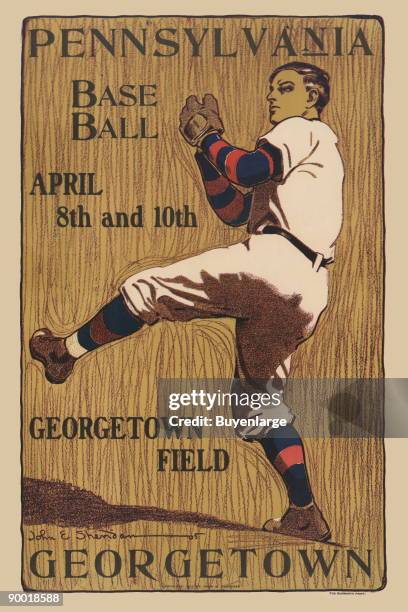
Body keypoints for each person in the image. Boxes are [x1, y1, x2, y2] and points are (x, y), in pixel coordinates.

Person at [30, 61, 344, 542]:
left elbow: (245, 167)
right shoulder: (300, 158)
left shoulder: (302, 130)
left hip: (276, 262)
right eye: (272, 90)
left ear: (312, 99)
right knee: (257, 409)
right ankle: (305, 511)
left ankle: (63, 352)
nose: (273, 98)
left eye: (286, 89)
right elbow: (234, 208)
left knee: (148, 288)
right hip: (305, 290)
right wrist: (201, 153)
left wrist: (209, 139)